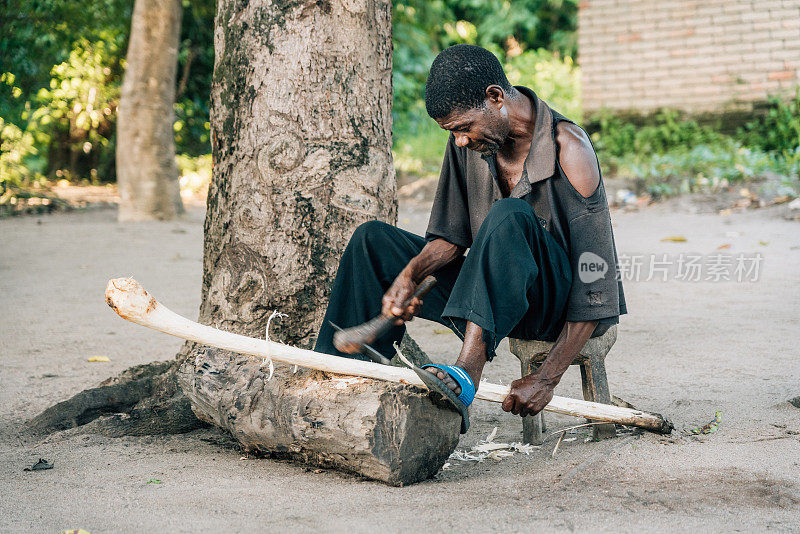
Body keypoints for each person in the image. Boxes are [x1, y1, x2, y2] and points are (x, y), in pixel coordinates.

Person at [315, 44, 626, 421]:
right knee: (372, 242)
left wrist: (546, 377)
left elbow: (597, 281)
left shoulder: (569, 148)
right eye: (453, 132)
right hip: (492, 296)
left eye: (463, 129)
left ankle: (467, 371)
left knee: (510, 213)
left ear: (495, 97)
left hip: (551, 307)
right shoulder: (468, 141)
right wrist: (409, 276)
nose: (460, 140)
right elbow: (450, 240)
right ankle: (338, 383)